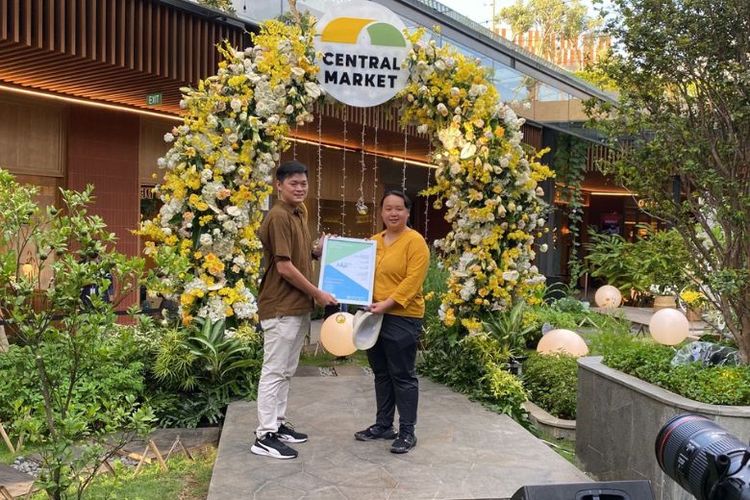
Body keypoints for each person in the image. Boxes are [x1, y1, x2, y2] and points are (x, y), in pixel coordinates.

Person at [251, 160, 338, 460]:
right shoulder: (278, 216)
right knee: (274, 370)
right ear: (279, 185)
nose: (300, 188)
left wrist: (317, 251)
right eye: (294, 183)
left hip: (297, 307)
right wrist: (317, 293)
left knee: (287, 371)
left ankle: (277, 424)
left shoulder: (299, 212)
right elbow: (284, 267)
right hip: (280, 306)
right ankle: (264, 435)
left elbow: (299, 257)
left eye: (304, 183)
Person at [355, 190, 429, 454]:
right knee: (381, 372)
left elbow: (412, 282)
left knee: (402, 374)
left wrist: (387, 303)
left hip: (402, 316)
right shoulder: (373, 242)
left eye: (399, 208)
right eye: (388, 208)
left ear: (408, 212)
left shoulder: (415, 242)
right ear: (381, 212)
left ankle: (407, 431)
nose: (393, 213)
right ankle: (384, 425)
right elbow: (359, 270)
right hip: (374, 315)